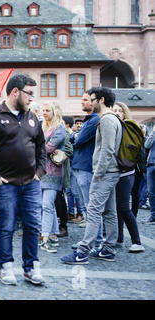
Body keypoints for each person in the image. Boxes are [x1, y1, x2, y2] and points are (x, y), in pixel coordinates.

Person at [0, 74, 46, 285]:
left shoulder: (33, 118)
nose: (31, 99)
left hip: (31, 183)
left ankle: (31, 267)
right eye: (29, 94)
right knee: (6, 226)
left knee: (33, 225)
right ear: (15, 92)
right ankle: (5, 267)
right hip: (5, 184)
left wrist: (39, 172)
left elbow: (41, 148)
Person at [62, 87, 122, 265]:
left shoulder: (107, 120)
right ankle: (108, 249)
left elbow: (108, 149)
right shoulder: (110, 119)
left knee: (93, 211)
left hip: (105, 173)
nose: (90, 102)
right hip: (110, 172)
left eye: (92, 99)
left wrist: (98, 173)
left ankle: (82, 252)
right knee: (109, 211)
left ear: (101, 100)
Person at [70, 91, 104, 252]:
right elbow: (75, 138)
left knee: (91, 207)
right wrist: (75, 135)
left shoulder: (94, 119)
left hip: (86, 166)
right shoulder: (90, 120)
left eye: (86, 100)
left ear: (94, 102)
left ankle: (95, 242)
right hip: (81, 165)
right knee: (87, 206)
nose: (82, 102)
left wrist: (75, 135)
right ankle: (92, 240)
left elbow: (79, 140)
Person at [112, 102, 145, 252]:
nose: (117, 113)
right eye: (114, 110)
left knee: (124, 207)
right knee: (117, 207)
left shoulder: (128, 127)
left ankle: (137, 242)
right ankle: (119, 238)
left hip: (126, 172)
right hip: (117, 171)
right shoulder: (114, 126)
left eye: (120, 110)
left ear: (125, 113)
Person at [40, 102, 66, 253]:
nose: (44, 112)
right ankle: (53, 235)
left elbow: (47, 148)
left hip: (53, 172)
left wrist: (34, 148)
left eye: (47, 110)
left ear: (54, 111)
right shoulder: (43, 127)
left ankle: (45, 238)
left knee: (46, 205)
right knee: (46, 205)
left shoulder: (60, 128)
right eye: (43, 110)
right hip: (41, 171)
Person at [145, 125, 155, 224]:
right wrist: (153, 132)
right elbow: (147, 145)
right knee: (151, 193)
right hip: (151, 166)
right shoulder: (153, 134)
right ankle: (153, 216)